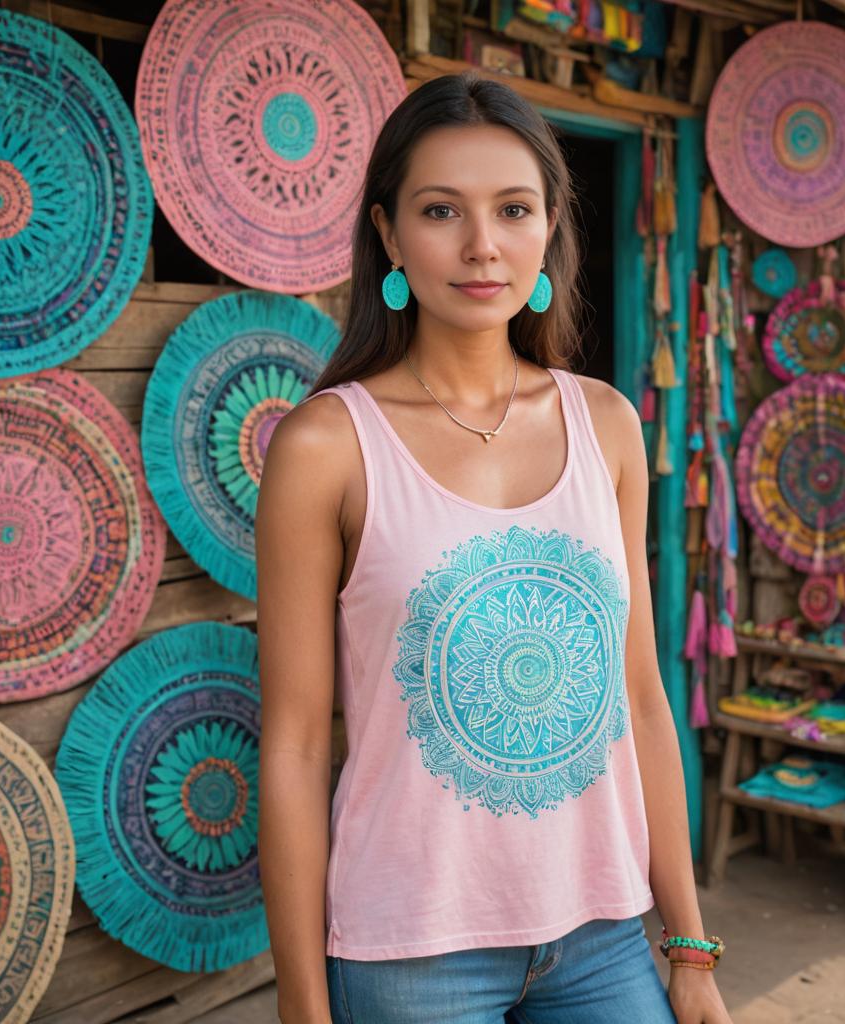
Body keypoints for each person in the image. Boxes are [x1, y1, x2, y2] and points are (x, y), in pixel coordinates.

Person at [256, 71, 733, 1024]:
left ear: (549, 228)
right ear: (389, 234)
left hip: (603, 937)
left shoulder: (606, 425)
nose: (482, 246)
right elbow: (299, 745)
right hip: (409, 952)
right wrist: (304, 1008)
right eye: (441, 211)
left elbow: (640, 699)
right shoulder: (326, 446)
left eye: (513, 209)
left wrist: (689, 950)